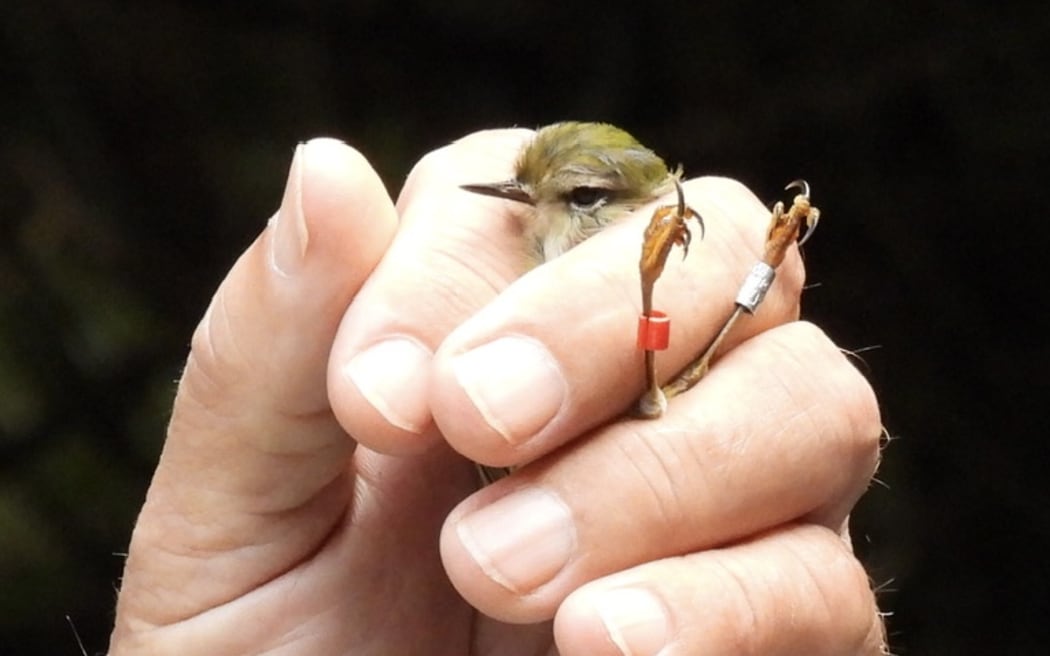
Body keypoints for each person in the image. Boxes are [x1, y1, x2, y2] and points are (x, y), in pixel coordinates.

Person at [107, 132, 887, 655]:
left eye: (579, 196)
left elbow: (669, 383)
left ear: (658, 208)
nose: (532, 212)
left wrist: (760, 265)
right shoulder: (525, 272)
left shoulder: (666, 257)